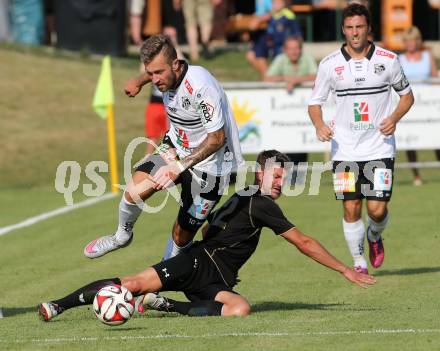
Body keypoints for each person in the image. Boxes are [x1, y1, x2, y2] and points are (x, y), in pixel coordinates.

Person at [38, 150, 376, 321]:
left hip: (216, 279)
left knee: (239, 309)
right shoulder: (260, 202)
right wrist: (344, 269)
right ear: (261, 173)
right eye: (274, 177)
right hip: (196, 263)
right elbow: (303, 242)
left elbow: (215, 221)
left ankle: (170, 305)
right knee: (130, 285)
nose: (278, 183)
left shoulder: (247, 194)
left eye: (282, 178)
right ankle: (59, 305)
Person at [83, 34, 243, 261]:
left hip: (213, 167)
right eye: (150, 73)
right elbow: (155, 70)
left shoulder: (201, 87)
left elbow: (217, 139)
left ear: (175, 65)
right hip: (176, 148)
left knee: (181, 238)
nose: (155, 80)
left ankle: (165, 281)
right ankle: (121, 237)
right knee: (133, 192)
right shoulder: (166, 75)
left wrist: (178, 167)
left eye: (158, 73)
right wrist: (139, 81)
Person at [308, 3, 414, 273]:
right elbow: (314, 103)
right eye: (350, 28)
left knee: (377, 211)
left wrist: (394, 118)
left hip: (379, 147)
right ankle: (358, 262)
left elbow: (407, 96)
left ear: (369, 29)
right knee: (351, 206)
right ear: (343, 30)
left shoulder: (388, 60)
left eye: (360, 27)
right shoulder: (330, 65)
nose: (355, 33)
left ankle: (374, 236)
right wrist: (320, 125)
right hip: (344, 150)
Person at [264, 34, 317, 181]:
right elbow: (268, 78)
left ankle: (299, 179)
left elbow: (317, 76)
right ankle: (282, 179)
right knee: (284, 146)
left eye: (296, 48)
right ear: (285, 50)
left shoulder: (307, 59)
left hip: (304, 113)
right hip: (284, 113)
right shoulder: (280, 59)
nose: (294, 52)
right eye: (290, 49)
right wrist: (286, 79)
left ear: (301, 49)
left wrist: (297, 80)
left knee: (301, 145)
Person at [399, 26, 440, 186]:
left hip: (427, 106)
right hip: (409, 105)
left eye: (413, 40)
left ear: (418, 41)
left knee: (435, 140)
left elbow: (434, 78)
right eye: (407, 40)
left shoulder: (427, 56)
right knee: (411, 141)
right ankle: (416, 175)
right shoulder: (400, 60)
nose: (410, 43)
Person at [246, 0, 302, 78]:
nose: (276, 5)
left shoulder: (288, 16)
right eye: (274, 3)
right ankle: (267, 76)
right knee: (253, 54)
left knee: (279, 57)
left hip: (282, 46)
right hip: (270, 44)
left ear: (284, 4)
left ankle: (270, 78)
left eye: (279, 3)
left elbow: (296, 34)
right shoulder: (269, 16)